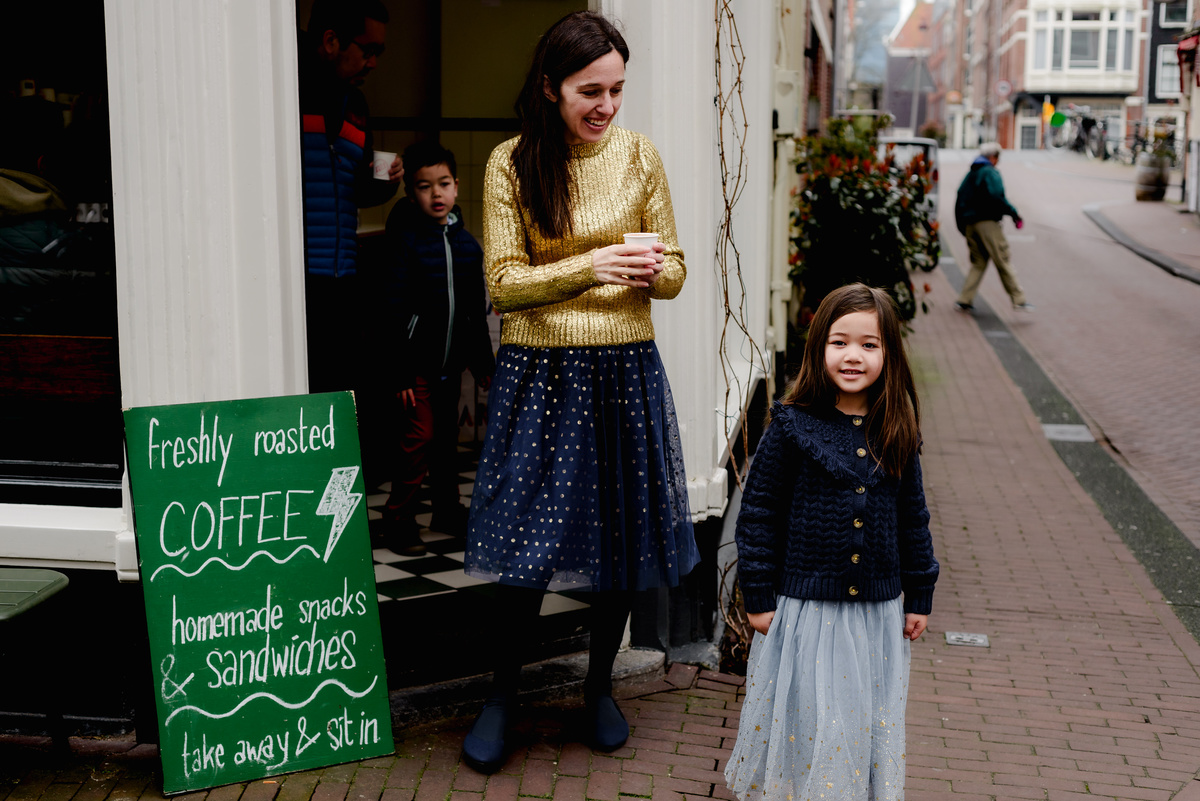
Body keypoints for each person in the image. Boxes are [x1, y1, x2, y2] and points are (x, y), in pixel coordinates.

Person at [459, 10, 700, 773]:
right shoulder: (510, 162)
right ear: (550, 88)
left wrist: (650, 268)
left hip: (624, 368)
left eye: (617, 90)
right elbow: (502, 282)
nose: (605, 106)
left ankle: (599, 688)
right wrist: (593, 266)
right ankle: (501, 697)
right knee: (527, 543)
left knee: (621, 539)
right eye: (589, 91)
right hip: (540, 374)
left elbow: (677, 271)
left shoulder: (640, 157)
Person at [724, 283, 939, 801]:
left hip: (876, 615)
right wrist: (758, 596)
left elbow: (913, 518)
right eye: (840, 342)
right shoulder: (792, 426)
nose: (853, 356)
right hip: (806, 611)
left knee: (861, 718)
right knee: (811, 718)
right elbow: (758, 514)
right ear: (818, 348)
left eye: (869, 345)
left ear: (889, 354)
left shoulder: (897, 429)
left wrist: (920, 593)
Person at [377, 141, 495, 555]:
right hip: (416, 368)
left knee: (445, 440)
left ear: (457, 185)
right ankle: (398, 518)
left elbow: (474, 315)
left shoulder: (467, 247)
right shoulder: (405, 243)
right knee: (420, 437)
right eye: (425, 187)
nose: (437, 194)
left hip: (451, 365)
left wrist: (483, 362)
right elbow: (391, 311)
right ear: (411, 193)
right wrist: (401, 371)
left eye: (443, 183)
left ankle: (446, 510)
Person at [298, 0, 403, 393]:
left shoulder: (357, 106)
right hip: (295, 280)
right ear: (330, 41)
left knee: (340, 391)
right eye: (368, 51)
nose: (373, 63)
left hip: (343, 280)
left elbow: (356, 187)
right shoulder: (284, 93)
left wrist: (387, 182)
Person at [953, 142, 1034, 313]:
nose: (998, 162)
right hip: (987, 223)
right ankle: (1019, 299)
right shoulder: (989, 172)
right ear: (992, 157)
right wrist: (1014, 214)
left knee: (979, 262)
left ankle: (964, 299)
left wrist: (963, 226)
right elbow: (997, 196)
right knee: (1002, 259)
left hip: (970, 225)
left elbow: (959, 198)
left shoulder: (971, 174)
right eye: (997, 158)